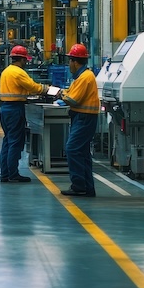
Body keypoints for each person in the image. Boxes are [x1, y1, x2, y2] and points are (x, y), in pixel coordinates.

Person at [0, 45, 49, 183]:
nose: (26, 62)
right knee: (15, 142)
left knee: (7, 141)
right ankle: (13, 174)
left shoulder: (6, 71)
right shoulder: (18, 72)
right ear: (21, 59)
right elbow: (32, 87)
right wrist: (47, 89)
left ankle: (5, 174)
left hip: (5, 109)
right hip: (15, 109)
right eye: (25, 59)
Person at [57, 43, 100, 197]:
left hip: (84, 118)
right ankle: (87, 187)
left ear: (75, 61)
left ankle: (79, 186)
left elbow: (73, 99)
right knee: (82, 152)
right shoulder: (81, 77)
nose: (69, 64)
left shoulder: (85, 77)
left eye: (70, 60)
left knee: (72, 149)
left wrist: (61, 95)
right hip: (81, 117)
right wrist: (63, 92)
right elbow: (72, 92)